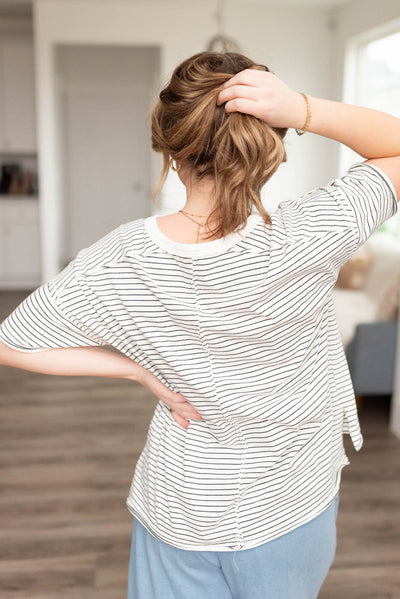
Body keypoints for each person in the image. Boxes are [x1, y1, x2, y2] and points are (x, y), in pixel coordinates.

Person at [0, 51, 399, 599]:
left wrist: (137, 373)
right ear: (272, 150)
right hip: (290, 505)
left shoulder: (120, 257)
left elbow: (12, 344)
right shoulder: (314, 231)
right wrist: (301, 108)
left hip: (178, 509)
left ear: (171, 149)